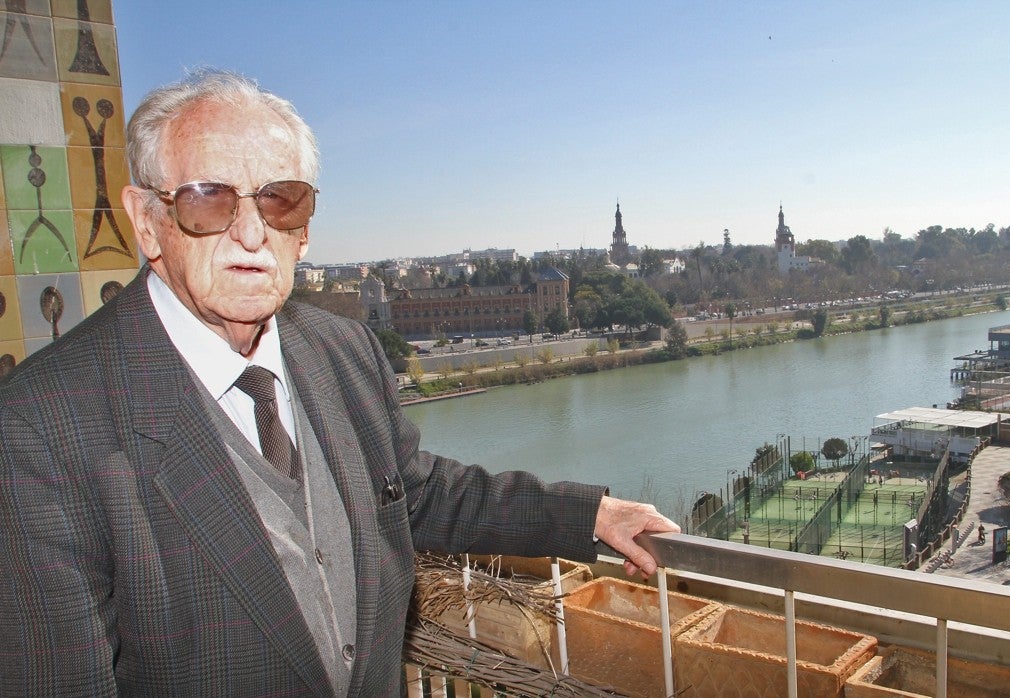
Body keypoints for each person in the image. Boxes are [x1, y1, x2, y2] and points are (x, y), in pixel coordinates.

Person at [0, 69, 678, 696]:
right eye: (209, 200)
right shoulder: (40, 433)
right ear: (148, 221)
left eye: (280, 199)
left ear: (305, 228)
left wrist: (587, 515)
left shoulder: (340, 349)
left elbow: (414, 492)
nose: (250, 233)